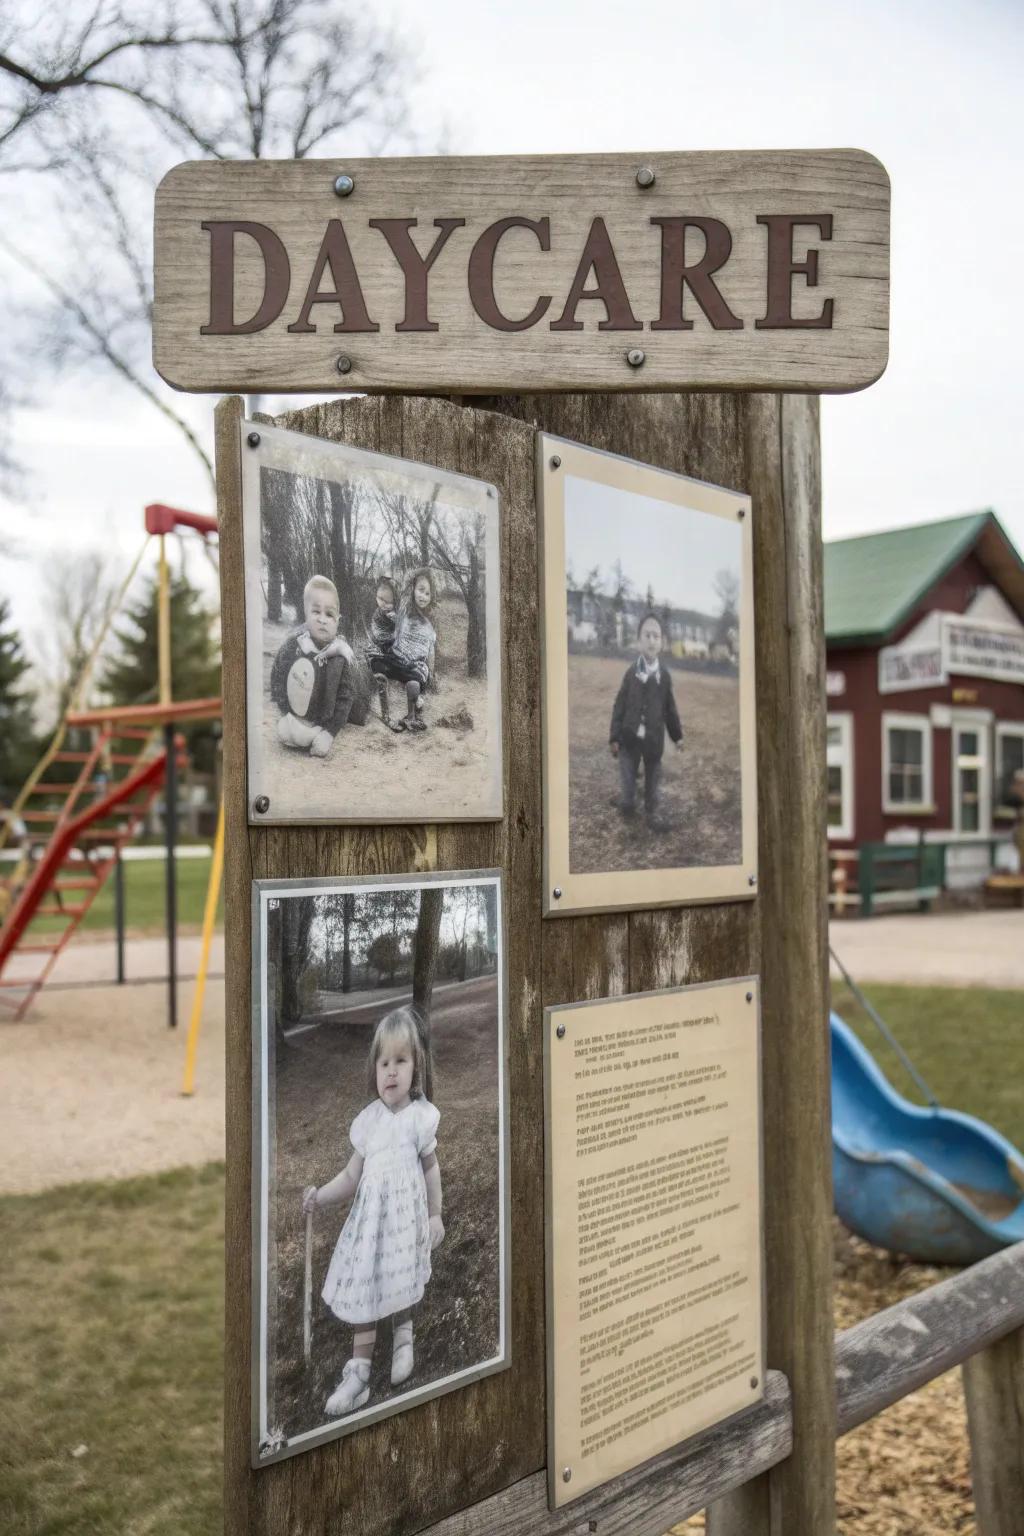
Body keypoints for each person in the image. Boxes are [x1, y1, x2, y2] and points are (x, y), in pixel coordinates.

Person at [302, 1004, 444, 1417]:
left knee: (401, 1277)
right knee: (365, 1285)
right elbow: (350, 1176)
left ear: (416, 1067)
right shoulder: (369, 1122)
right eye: (385, 1063)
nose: (392, 1072)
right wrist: (321, 1197)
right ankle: (359, 1373)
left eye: (401, 1061)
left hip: (404, 1223)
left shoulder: (420, 1119)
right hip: (370, 1227)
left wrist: (435, 1214)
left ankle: (403, 1338)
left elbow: (432, 1171)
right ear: (375, 1069)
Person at [609, 612, 683, 831]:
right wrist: (614, 736)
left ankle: (652, 809)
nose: (652, 640)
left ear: (661, 642)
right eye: (647, 635)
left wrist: (677, 736)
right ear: (639, 640)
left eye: (656, 636)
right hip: (629, 739)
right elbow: (619, 705)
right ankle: (626, 800)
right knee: (628, 800)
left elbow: (670, 709)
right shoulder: (631, 673)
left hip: (652, 741)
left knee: (653, 781)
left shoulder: (664, 676)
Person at [269, 575, 355, 758]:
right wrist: (284, 709)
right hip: (293, 717)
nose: (323, 619)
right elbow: (278, 673)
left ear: (338, 620)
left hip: (320, 725)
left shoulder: (339, 656)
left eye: (329, 614)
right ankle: (292, 724)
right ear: (305, 614)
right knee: (285, 732)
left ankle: (319, 736)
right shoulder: (295, 645)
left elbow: (345, 698)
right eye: (316, 612)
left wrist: (330, 733)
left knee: (318, 743)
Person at [368, 568, 437, 733]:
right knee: (377, 663)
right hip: (396, 658)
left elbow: (431, 650)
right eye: (421, 590)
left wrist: (432, 673)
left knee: (415, 678)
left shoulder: (429, 622)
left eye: (428, 593)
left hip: (413, 666)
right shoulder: (404, 608)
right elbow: (402, 592)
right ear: (413, 589)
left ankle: (411, 716)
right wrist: (390, 581)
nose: (423, 596)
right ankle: (386, 714)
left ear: (432, 597)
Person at [364, 576, 398, 724]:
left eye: (388, 602)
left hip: (392, 650)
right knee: (380, 677)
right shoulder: (377, 615)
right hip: (378, 650)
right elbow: (377, 635)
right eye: (380, 599)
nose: (383, 604)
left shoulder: (397, 614)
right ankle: (385, 715)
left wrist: (397, 620)